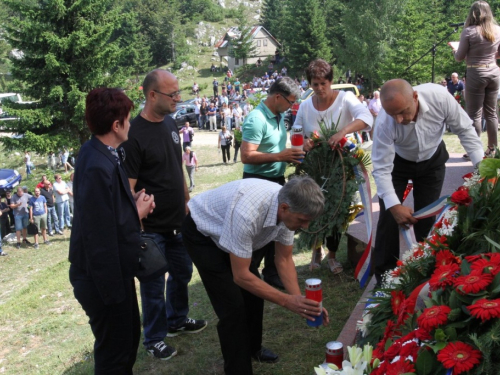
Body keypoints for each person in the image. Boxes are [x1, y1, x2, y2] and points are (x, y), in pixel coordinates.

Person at [182, 176, 328, 375]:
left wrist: (301, 303)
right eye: (303, 220)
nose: (305, 227)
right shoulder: (248, 212)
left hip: (230, 229)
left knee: (254, 296)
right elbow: (241, 276)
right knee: (233, 308)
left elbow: (283, 260)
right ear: (284, 208)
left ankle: (253, 348)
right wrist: (286, 301)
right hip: (203, 234)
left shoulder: (288, 210)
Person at [121, 69, 207, 361]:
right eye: (172, 94)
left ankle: (177, 320)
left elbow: (176, 166)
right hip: (151, 229)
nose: (178, 98)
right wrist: (138, 222)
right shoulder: (133, 135)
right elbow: (128, 188)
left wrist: (186, 199)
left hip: (178, 221)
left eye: (179, 92)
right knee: (154, 285)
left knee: (182, 273)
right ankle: (154, 338)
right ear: (152, 94)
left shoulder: (170, 123)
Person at [69, 88, 155, 375]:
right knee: (114, 355)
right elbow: (98, 235)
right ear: (116, 125)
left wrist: (131, 204)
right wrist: (137, 213)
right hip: (102, 279)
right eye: (128, 119)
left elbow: (105, 211)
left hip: (113, 273)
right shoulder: (96, 164)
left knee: (128, 341)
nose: (130, 124)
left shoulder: (102, 153)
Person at [371, 79, 484, 285]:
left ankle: (426, 274)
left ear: (415, 97)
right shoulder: (384, 123)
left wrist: (482, 170)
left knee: (427, 218)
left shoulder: (440, 97)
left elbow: (466, 130)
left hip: (432, 161)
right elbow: (381, 169)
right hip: (398, 163)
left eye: (403, 112)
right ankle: (384, 278)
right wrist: (395, 205)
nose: (398, 119)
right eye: (392, 114)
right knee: (388, 217)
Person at [296, 58, 372, 274]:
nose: (319, 89)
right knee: (313, 208)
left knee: (337, 209)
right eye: (315, 84)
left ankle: (331, 255)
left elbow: (367, 119)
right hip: (316, 166)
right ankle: (315, 250)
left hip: (341, 165)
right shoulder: (304, 105)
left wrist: (343, 132)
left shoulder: (346, 99)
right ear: (309, 84)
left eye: (323, 83)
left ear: (330, 82)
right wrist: (305, 143)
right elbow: (296, 133)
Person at [241, 77, 304, 290]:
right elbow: (247, 156)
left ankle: (272, 272)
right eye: (290, 101)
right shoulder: (256, 119)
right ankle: (248, 272)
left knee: (277, 227)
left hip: (275, 180)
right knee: (259, 230)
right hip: (257, 182)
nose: (292, 106)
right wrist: (280, 156)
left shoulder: (278, 114)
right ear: (278, 96)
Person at [452, 0, 500, 157]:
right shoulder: (498, 30)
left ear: (473, 13)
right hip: (494, 72)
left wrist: (455, 50)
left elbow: (459, 57)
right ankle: (492, 150)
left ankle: (475, 151)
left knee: (474, 114)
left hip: (476, 73)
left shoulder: (469, 31)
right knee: (491, 113)